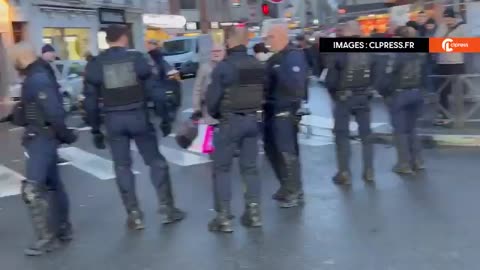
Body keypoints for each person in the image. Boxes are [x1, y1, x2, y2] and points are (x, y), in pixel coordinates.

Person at [83, 24, 185, 230]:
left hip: (113, 120)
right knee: (155, 161)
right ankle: (167, 208)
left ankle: (134, 215)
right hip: (138, 116)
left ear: (107, 40)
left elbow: (90, 103)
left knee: (122, 167)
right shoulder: (137, 59)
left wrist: (95, 130)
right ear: (124, 38)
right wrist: (165, 119)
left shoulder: (96, 64)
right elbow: (156, 93)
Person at [10, 42, 77, 256]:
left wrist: (64, 134)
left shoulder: (37, 78)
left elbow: (53, 112)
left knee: (32, 190)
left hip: (41, 138)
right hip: (42, 136)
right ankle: (63, 228)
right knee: (53, 185)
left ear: (20, 60)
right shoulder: (36, 75)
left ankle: (47, 237)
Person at [205, 27, 264, 233]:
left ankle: (223, 217)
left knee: (222, 169)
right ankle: (254, 213)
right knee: (250, 168)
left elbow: (212, 100)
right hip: (252, 120)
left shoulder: (224, 67)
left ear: (229, 43)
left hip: (229, 122)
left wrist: (215, 114)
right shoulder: (257, 64)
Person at [264, 22, 307, 207]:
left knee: (287, 152)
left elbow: (296, 86)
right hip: (271, 111)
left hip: (285, 111)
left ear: (282, 37)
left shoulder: (293, 56)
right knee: (272, 150)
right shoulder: (275, 58)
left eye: (270, 37)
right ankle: (285, 185)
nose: (267, 41)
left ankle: (295, 191)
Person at [326, 21, 375, 185]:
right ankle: (369, 170)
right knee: (366, 135)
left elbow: (331, 79)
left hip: (344, 98)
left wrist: (334, 94)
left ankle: (344, 172)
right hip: (363, 96)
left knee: (342, 135)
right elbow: (376, 71)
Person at [378, 26, 425, 174]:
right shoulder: (419, 53)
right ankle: (417, 161)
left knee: (400, 130)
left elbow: (387, 76)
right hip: (416, 93)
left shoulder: (395, 54)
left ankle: (403, 164)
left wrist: (384, 93)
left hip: (399, 94)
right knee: (412, 128)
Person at [433, 7, 466, 125]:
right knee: (443, 92)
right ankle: (445, 115)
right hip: (443, 63)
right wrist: (445, 29)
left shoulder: (461, 27)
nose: (447, 19)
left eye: (449, 17)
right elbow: (436, 42)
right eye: (445, 17)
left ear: (453, 17)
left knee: (458, 91)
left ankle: (460, 117)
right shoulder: (442, 27)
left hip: (456, 63)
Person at [41, 44, 71, 166]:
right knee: (52, 131)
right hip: (49, 105)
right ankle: (52, 157)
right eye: (52, 52)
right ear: (46, 53)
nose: (54, 55)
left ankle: (53, 155)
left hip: (51, 103)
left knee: (52, 132)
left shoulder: (46, 66)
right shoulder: (43, 67)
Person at [192, 44, 225, 125]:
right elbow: (197, 89)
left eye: (218, 51)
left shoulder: (229, 66)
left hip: (225, 110)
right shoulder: (204, 67)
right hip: (208, 110)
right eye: (213, 51)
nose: (215, 53)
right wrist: (197, 109)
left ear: (224, 52)